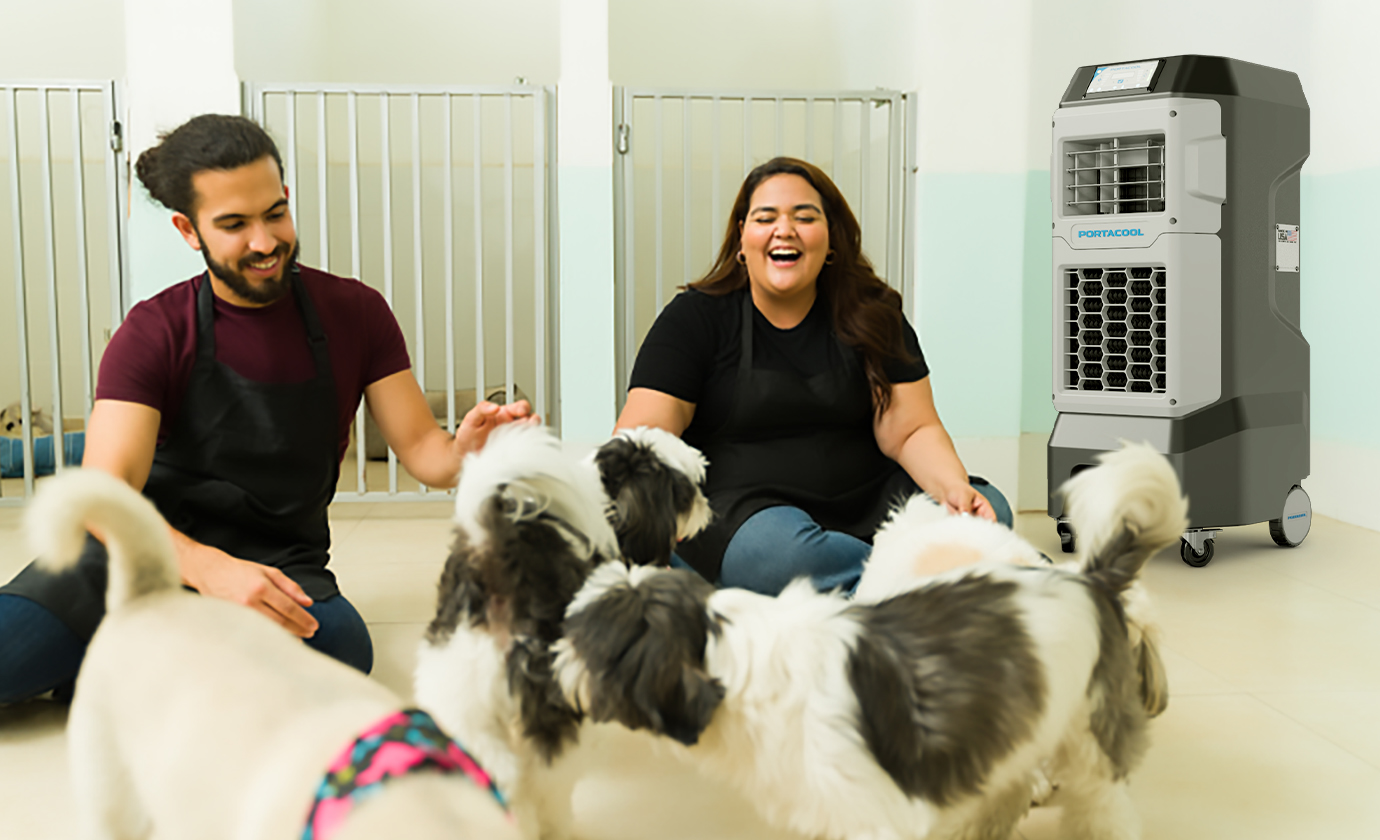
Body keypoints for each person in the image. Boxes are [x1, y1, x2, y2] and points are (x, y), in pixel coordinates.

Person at [0, 114, 531, 704]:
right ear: (188, 229)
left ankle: (115, 666)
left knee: (338, 648)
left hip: (277, 562)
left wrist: (468, 450)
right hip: (137, 555)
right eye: (233, 224)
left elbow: (426, 453)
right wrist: (207, 569)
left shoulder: (356, 313)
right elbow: (105, 497)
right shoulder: (154, 330)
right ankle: (131, 654)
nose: (264, 241)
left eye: (274, 213)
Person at [616, 157, 1011, 596]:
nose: (784, 229)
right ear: (742, 241)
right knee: (785, 560)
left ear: (831, 241)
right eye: (766, 218)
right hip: (749, 514)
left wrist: (955, 489)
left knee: (990, 511)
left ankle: (887, 583)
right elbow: (643, 434)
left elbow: (911, 429)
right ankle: (947, 580)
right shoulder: (694, 318)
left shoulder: (874, 313)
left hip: (869, 500)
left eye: (805, 217)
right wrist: (643, 538)